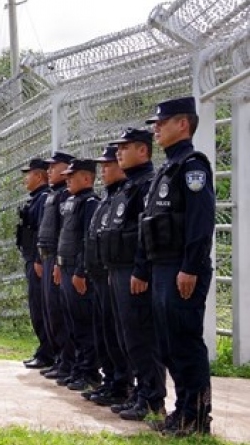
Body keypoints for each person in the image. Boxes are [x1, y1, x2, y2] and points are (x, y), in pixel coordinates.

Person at [138, 96, 215, 436]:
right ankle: (182, 411)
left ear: (182, 124)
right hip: (162, 267)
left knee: (185, 342)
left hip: (182, 269)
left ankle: (197, 417)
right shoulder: (166, 170)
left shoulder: (192, 165)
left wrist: (191, 266)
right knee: (168, 345)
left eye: (162, 122)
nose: (156, 128)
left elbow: (200, 221)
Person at [103, 127, 166, 421]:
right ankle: (140, 393)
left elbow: (145, 233)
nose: (118, 153)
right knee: (126, 335)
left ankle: (152, 398)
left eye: (125, 147)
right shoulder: (129, 186)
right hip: (119, 270)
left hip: (135, 271)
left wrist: (140, 269)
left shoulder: (147, 185)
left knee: (141, 336)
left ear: (143, 150)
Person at [84, 145, 133, 407]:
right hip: (102, 274)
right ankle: (112, 381)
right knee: (105, 332)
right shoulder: (107, 198)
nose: (104, 170)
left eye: (108, 164)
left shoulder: (125, 194)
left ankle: (125, 385)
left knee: (121, 334)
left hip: (118, 274)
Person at [56, 158, 101, 393]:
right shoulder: (73, 201)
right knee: (72, 322)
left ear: (86, 178)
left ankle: (89, 372)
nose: (67, 180)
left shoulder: (90, 203)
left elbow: (87, 240)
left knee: (84, 324)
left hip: (77, 271)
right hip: (65, 268)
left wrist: (80, 271)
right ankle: (77, 368)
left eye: (72, 177)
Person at [36, 151, 75, 383]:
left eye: (54, 167)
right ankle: (61, 359)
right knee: (50, 311)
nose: (49, 171)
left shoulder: (66, 197)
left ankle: (68, 361)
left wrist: (58, 262)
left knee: (61, 312)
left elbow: (65, 233)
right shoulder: (53, 195)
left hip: (60, 260)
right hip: (48, 257)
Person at [16, 157, 55, 370]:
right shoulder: (37, 199)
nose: (26, 178)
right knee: (37, 307)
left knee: (42, 308)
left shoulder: (44, 199)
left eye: (28, 174)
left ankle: (48, 352)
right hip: (32, 259)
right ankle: (45, 350)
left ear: (39, 175)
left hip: (39, 261)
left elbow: (44, 232)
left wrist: (40, 259)